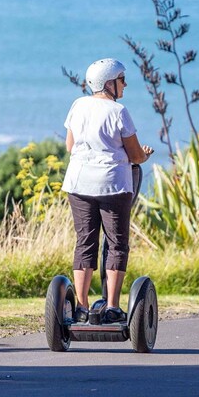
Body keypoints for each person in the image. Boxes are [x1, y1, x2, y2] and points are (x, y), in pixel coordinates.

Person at [62, 58, 153, 324]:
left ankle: (81, 306)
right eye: (122, 79)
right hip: (112, 185)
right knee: (116, 243)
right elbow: (134, 153)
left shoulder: (78, 105)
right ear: (109, 83)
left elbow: (70, 146)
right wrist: (143, 156)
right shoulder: (118, 111)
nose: (125, 84)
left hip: (78, 184)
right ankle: (112, 306)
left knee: (85, 241)